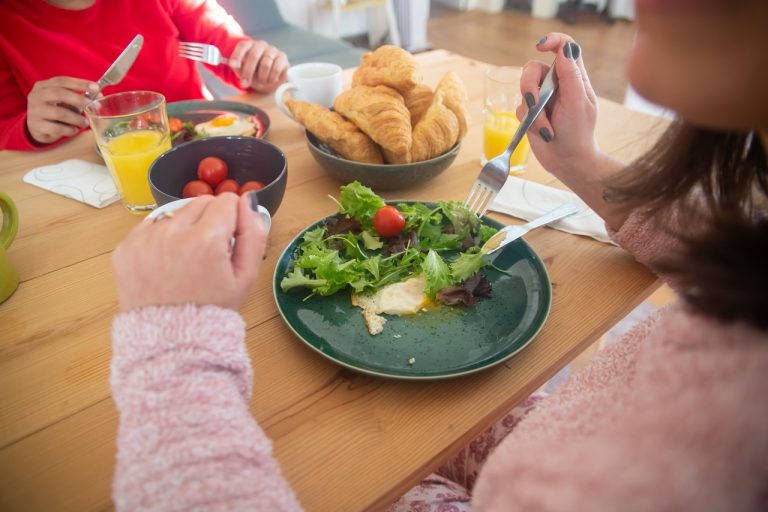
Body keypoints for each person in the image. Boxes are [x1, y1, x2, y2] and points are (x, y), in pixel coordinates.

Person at [108, 0, 768, 509]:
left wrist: (171, 354)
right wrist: (585, 166)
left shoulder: (709, 457)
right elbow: (744, 256)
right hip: (562, 431)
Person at [0, 0, 289, 150]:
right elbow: (6, 129)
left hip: (204, 150)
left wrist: (258, 65)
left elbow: (228, 47)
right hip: (95, 182)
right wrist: (30, 129)